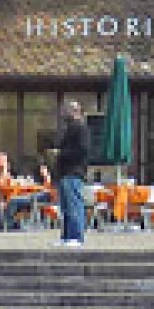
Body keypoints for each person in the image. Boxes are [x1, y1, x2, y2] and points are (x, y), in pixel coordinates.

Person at [55, 100, 91, 247]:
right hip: (65, 173)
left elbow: (83, 150)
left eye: (65, 110)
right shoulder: (69, 129)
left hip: (74, 172)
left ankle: (77, 237)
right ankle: (66, 236)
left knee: (74, 204)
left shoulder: (81, 129)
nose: (62, 113)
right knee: (65, 207)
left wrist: (61, 153)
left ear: (74, 111)